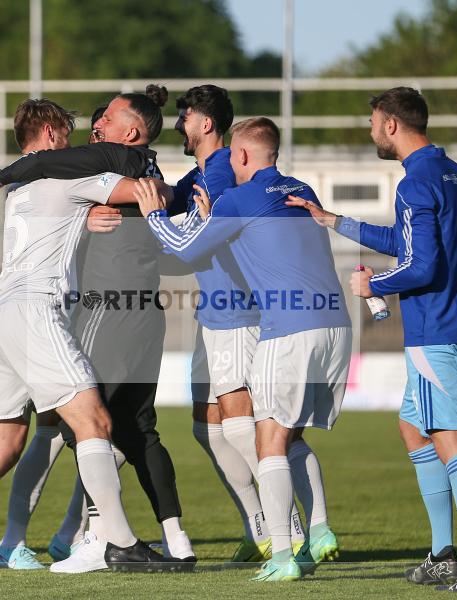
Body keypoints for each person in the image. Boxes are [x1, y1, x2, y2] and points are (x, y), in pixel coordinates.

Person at [0, 98, 166, 572]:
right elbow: (144, 191)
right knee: (95, 422)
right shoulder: (69, 177)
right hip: (35, 312)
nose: (75, 145)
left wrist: (85, 219)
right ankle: (123, 543)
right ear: (51, 135)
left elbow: (63, 221)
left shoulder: (19, 190)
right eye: (67, 136)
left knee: (5, 444)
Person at [287, 87, 457, 593]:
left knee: (451, 439)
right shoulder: (455, 174)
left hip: (435, 328)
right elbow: (411, 243)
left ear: (391, 125)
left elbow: (421, 264)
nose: (369, 131)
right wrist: (332, 220)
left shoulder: (415, 182)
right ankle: (443, 554)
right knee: (412, 427)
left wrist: (374, 285)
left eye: (372, 122)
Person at [0, 86, 196, 573]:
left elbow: (36, 165)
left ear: (129, 132)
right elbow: (164, 228)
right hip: (128, 309)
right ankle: (158, 538)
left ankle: (83, 537)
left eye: (107, 120)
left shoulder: (95, 167)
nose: (96, 127)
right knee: (121, 428)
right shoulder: (142, 168)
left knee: (68, 429)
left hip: (97, 309)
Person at [136, 117, 352, 582]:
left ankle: (283, 550)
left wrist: (154, 213)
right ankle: (318, 530)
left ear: (243, 156)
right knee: (288, 434)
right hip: (334, 321)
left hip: (285, 326)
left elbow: (185, 247)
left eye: (232, 154)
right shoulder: (300, 189)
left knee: (267, 438)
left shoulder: (239, 197)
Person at [170, 84, 312, 564]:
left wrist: (147, 229)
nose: (179, 124)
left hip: (237, 311)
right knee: (206, 427)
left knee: (243, 427)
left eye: (184, 115)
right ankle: (259, 528)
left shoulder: (226, 175)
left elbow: (193, 244)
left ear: (204, 123)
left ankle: (287, 527)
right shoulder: (201, 173)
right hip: (212, 311)